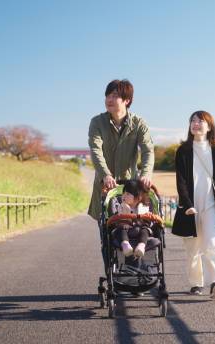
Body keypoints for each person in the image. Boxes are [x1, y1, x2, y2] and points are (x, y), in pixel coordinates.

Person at [88, 79, 155, 269]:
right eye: (107, 96)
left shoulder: (138, 123)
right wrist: (105, 174)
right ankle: (112, 274)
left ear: (126, 100)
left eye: (115, 96)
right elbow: (95, 150)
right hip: (105, 187)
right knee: (108, 234)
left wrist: (145, 173)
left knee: (134, 228)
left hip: (130, 189)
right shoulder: (97, 122)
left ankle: (134, 274)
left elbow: (148, 150)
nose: (110, 99)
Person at [172, 110, 215, 300]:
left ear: (209, 126)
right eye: (192, 121)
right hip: (190, 206)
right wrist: (187, 203)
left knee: (212, 244)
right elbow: (180, 181)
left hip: (211, 205)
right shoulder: (183, 150)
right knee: (193, 249)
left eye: (200, 121)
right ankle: (196, 283)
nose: (195, 124)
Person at [110, 180, 152, 258]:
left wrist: (147, 217)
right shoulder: (121, 206)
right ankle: (125, 244)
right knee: (120, 229)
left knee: (145, 229)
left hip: (139, 229)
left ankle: (141, 245)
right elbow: (117, 220)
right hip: (126, 229)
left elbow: (148, 220)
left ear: (138, 197)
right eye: (124, 193)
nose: (124, 196)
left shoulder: (143, 208)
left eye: (128, 194)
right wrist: (124, 211)